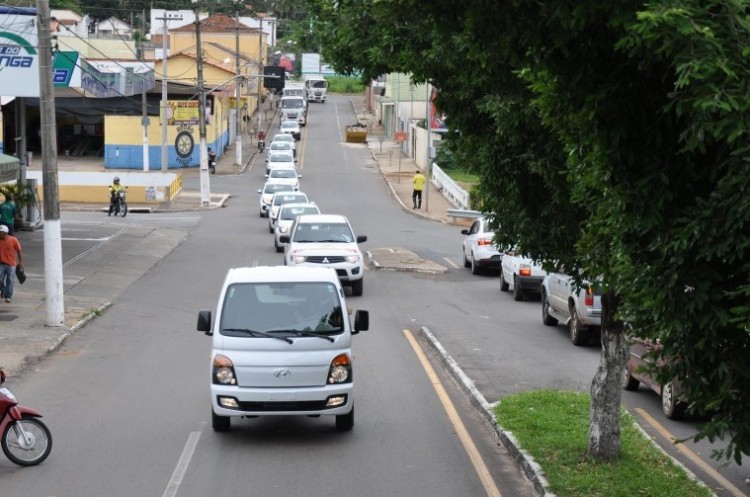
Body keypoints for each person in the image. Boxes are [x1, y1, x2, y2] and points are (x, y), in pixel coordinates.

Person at [0, 224, 23, 303]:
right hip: (1, 264)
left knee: (10, 280)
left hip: (11, 264)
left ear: (5, 233)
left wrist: (20, 263)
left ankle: (8, 296)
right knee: (0, 279)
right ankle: (2, 291)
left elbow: (19, 251)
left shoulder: (13, 240)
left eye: (1, 232)